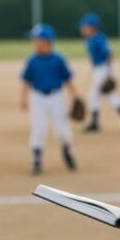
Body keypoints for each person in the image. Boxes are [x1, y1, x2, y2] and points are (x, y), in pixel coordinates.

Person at [20, 23, 79, 175]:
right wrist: (23, 98)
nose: (34, 43)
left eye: (37, 40)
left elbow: (67, 79)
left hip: (57, 97)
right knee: (38, 128)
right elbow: (26, 81)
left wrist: (75, 95)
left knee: (62, 129)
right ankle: (37, 160)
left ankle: (66, 151)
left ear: (47, 42)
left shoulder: (58, 59)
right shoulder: (32, 60)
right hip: (38, 97)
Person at [78, 13, 120, 132]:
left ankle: (95, 123)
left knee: (93, 95)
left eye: (85, 27)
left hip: (103, 69)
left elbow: (109, 55)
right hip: (100, 69)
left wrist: (109, 74)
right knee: (109, 95)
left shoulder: (98, 39)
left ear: (92, 27)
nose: (82, 29)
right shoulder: (91, 39)